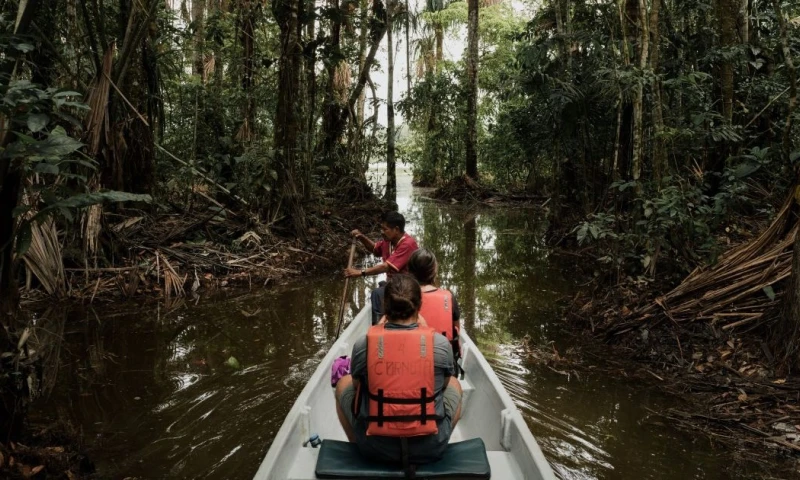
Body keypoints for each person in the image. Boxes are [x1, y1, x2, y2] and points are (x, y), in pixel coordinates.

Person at [334, 274, 463, 465]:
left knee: (343, 383)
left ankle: (358, 444)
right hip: (430, 447)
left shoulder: (364, 344)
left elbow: (356, 385)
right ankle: (437, 438)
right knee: (454, 383)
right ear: (420, 306)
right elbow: (443, 385)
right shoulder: (440, 344)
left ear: (385, 306)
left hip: (374, 448)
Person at [344, 211, 419, 324]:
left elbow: (386, 267)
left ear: (396, 230)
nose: (382, 232)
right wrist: (361, 237)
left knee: (377, 293)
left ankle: (378, 325)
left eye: (385, 229)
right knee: (381, 291)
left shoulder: (408, 244)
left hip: (406, 287)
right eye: (381, 228)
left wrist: (360, 272)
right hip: (393, 285)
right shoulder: (388, 241)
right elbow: (374, 249)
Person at [407, 248, 462, 371]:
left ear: (409, 271)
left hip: (410, 362)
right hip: (442, 363)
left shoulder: (402, 297)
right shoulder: (448, 297)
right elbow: (457, 330)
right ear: (434, 271)